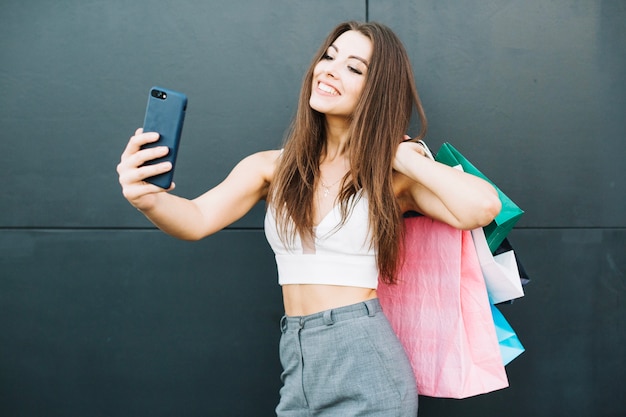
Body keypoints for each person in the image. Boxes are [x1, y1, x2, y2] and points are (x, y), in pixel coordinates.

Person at [117, 21, 501, 417]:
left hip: (364, 362)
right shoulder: (272, 167)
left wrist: (403, 155)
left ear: (378, 91)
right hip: (298, 362)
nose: (331, 69)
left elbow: (483, 207)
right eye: (329, 56)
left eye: (354, 68)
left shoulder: (391, 178)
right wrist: (146, 197)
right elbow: (196, 219)